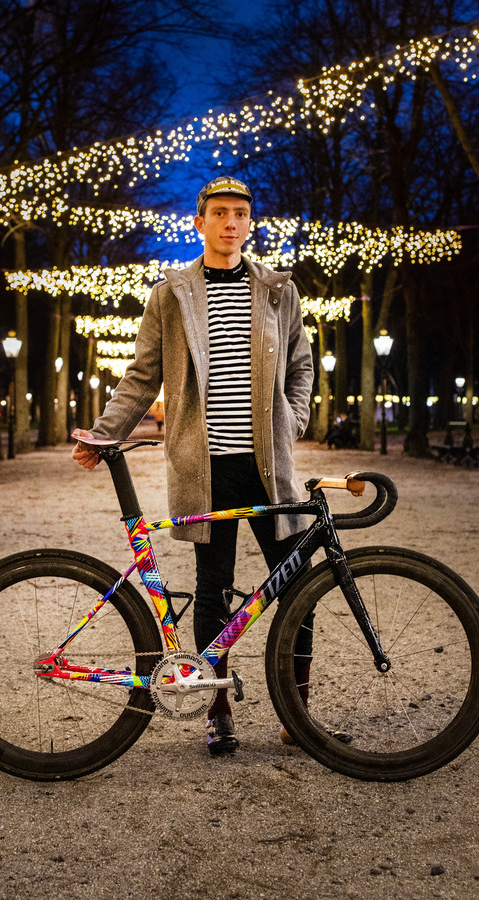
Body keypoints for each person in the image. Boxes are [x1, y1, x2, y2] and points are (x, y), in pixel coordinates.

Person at [72, 175, 314, 755]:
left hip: (268, 466)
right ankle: (216, 708)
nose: (231, 222)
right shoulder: (170, 295)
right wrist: (106, 434)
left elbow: (301, 365)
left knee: (298, 587)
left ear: (250, 223)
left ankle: (298, 711)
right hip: (206, 468)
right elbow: (142, 375)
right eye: (220, 213)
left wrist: (293, 421)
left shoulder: (278, 290)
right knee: (213, 590)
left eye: (240, 214)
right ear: (200, 223)